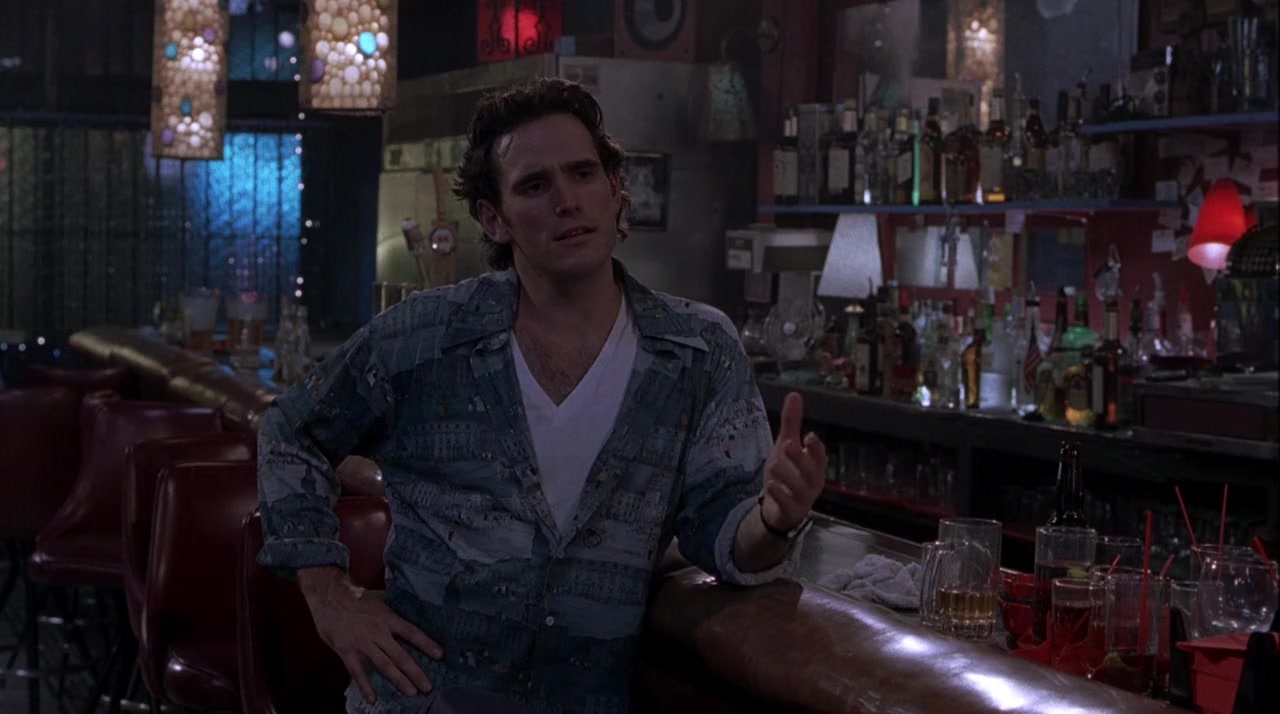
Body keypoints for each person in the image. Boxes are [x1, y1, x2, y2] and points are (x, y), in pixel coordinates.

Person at [256, 77, 828, 714]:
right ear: (493, 219)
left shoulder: (697, 349)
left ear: (615, 189)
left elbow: (722, 528)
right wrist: (329, 597)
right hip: (426, 699)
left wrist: (775, 519)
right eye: (534, 185)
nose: (567, 200)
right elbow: (289, 432)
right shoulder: (425, 337)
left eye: (583, 173)